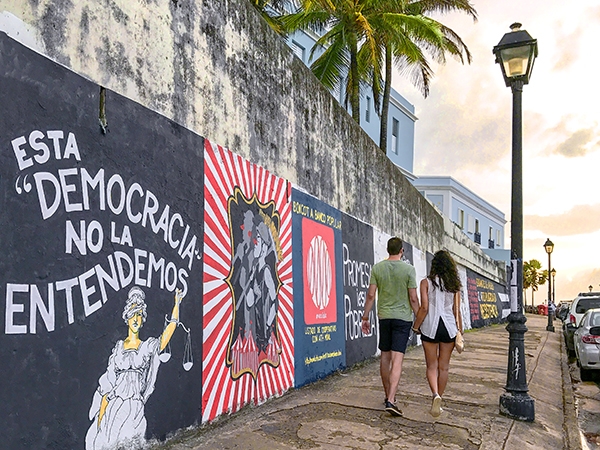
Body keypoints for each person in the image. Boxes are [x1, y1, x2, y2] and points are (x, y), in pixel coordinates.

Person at [85, 287, 183, 450]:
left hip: (135, 406)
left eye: (139, 315)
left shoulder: (146, 346)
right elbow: (109, 381)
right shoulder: (118, 348)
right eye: (132, 315)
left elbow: (166, 336)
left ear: (143, 319)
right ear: (127, 318)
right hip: (115, 405)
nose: (136, 319)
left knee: (132, 443)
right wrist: (101, 415)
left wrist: (177, 305)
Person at [362, 237, 419, 416]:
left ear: (388, 250)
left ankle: (388, 395)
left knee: (385, 357)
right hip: (403, 319)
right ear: (402, 250)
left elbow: (371, 295)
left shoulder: (377, 268)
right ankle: (391, 399)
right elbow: (413, 298)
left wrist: (365, 316)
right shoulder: (409, 269)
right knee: (398, 359)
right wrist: (419, 318)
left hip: (384, 317)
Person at [412, 250, 463, 418]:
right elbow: (457, 310)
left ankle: (435, 395)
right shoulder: (454, 284)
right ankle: (439, 401)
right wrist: (459, 332)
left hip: (430, 328)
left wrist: (416, 326)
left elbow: (424, 307)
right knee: (444, 367)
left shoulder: (425, 282)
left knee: (431, 366)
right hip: (449, 328)